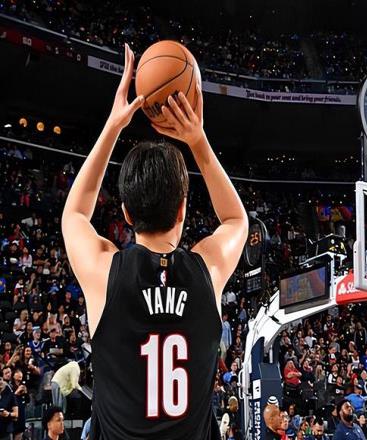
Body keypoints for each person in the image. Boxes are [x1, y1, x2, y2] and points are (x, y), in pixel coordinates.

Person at [61, 44, 248, 439]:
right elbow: (236, 219)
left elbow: (74, 214)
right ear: (182, 210)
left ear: (126, 214)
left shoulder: (104, 273)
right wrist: (198, 141)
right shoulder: (207, 271)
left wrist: (114, 125)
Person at [0, 374, 18, 440]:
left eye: (0, 379)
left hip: (6, 432)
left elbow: (16, 414)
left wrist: (8, 414)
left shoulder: (10, 395)